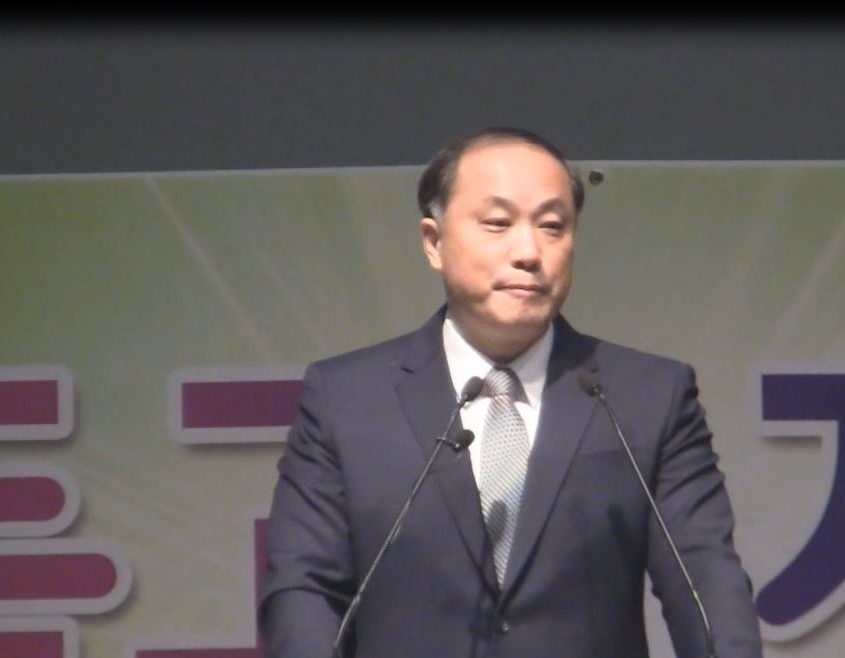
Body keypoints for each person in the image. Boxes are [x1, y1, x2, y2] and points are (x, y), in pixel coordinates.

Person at [258, 127, 763, 658]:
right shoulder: (346, 399)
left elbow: (706, 581)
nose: (528, 251)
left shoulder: (646, 396)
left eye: (552, 226)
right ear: (434, 242)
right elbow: (304, 589)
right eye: (498, 224)